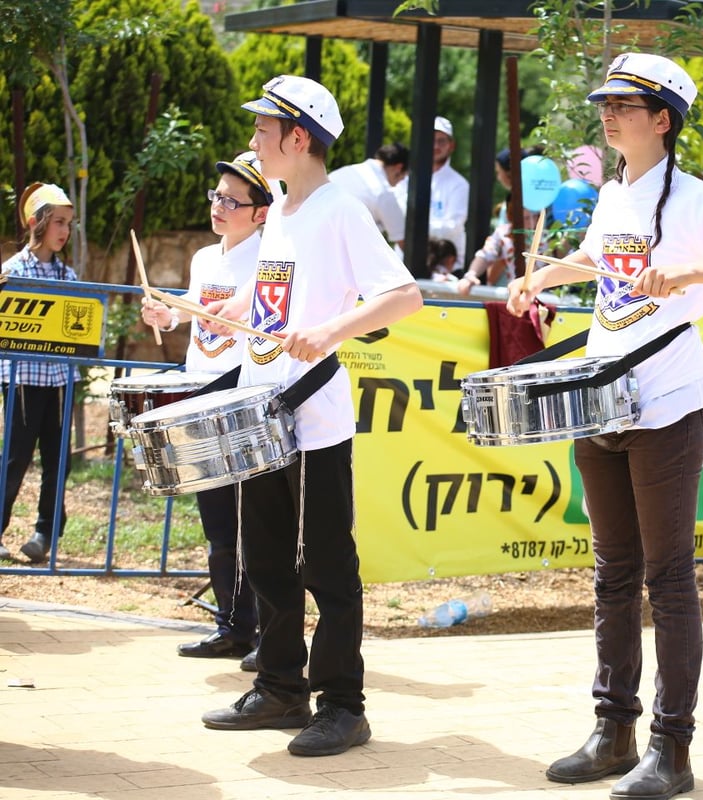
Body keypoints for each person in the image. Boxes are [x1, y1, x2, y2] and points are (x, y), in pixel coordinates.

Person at [507, 52, 703, 800]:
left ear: (662, 119)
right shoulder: (613, 195)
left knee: (669, 580)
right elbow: (599, 262)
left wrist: (694, 275)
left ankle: (673, 748)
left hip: (667, 405)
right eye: (604, 102)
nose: (608, 113)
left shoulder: (698, 201)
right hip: (599, 400)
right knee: (612, 575)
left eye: (625, 105)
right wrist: (545, 276)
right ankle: (613, 731)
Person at [199, 74, 423, 756]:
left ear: (299, 137)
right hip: (263, 412)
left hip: (315, 420)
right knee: (265, 560)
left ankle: (344, 706)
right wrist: (211, 312)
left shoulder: (341, 210)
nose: (254, 140)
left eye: (264, 129)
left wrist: (329, 333)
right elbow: (267, 304)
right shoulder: (285, 212)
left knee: (326, 564)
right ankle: (279, 688)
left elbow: (403, 295)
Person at [140, 152, 272, 662]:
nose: (218, 206)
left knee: (253, 523)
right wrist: (166, 314)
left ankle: (265, 632)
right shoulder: (202, 259)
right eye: (216, 196)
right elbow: (192, 312)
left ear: (260, 213)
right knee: (217, 525)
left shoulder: (270, 258)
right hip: (202, 392)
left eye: (231, 200)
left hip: (243, 395)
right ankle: (233, 628)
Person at [0, 183, 78, 564]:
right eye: (58, 222)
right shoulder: (10, 272)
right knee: (15, 457)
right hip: (22, 379)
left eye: (69, 223)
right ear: (37, 221)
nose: (64, 231)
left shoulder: (71, 276)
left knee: (56, 458)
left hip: (62, 382)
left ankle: (46, 531)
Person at [395, 116, 469, 272]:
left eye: (442, 141)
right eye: (431, 140)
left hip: (445, 269)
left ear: (451, 145)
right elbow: (396, 215)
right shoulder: (405, 179)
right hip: (402, 264)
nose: (436, 145)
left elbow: (453, 226)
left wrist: (413, 229)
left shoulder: (459, 184)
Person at [328, 142, 409, 248]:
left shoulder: (346, 171)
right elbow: (405, 244)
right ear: (399, 168)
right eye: (403, 176)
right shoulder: (383, 193)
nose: (400, 181)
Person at [456, 207, 540, 294]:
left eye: (535, 217)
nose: (531, 222)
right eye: (526, 218)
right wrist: (471, 275)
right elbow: (485, 255)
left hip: (542, 297)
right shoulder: (502, 233)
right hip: (512, 295)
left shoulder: (548, 238)